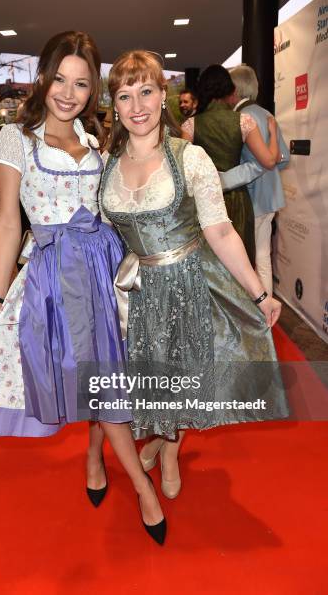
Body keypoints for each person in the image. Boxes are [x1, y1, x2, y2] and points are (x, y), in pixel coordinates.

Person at [0, 32, 166, 545]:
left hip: (107, 270)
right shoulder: (16, 140)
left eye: (81, 83)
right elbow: (8, 222)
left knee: (109, 374)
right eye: (60, 80)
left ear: (93, 88)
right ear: (44, 78)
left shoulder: (95, 143)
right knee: (101, 379)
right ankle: (144, 489)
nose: (69, 93)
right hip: (57, 277)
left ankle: (95, 458)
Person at [100, 50, 289, 501]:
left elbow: (221, 231)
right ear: (115, 104)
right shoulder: (106, 163)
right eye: (125, 96)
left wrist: (260, 294)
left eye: (146, 91)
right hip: (136, 290)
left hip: (188, 282)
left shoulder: (190, 157)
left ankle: (169, 451)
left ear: (162, 94)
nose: (137, 105)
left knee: (185, 377)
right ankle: (164, 442)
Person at [182, 65, 281, 267]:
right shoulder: (244, 121)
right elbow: (269, 161)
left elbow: (183, 170)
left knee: (209, 265)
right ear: (230, 91)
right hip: (238, 201)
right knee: (241, 262)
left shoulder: (191, 125)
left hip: (204, 201)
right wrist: (273, 131)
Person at [223, 64, 290, 295]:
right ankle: (266, 312)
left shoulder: (242, 118)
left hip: (251, 200)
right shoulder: (266, 114)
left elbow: (262, 162)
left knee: (245, 260)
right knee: (262, 257)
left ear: (234, 89)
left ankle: (255, 314)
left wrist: (223, 180)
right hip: (271, 197)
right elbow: (282, 158)